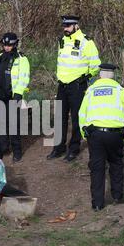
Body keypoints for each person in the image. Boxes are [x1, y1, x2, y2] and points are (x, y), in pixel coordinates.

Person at [78, 63, 124, 211]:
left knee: (97, 168)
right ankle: (117, 197)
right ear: (112, 75)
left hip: (95, 135)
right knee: (116, 164)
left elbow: (82, 113)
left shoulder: (91, 90)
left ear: (100, 75)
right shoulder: (119, 90)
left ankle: (98, 204)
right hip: (114, 135)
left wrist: (84, 134)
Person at [47, 15, 101, 162]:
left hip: (77, 85)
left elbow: (96, 65)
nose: (65, 28)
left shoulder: (86, 42)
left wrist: (87, 76)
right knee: (60, 117)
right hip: (62, 85)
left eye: (68, 26)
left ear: (76, 26)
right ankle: (58, 147)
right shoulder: (62, 41)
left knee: (77, 118)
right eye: (64, 26)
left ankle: (73, 149)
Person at [0, 32, 30, 162]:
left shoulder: (21, 59)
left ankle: (17, 151)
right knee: (1, 122)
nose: (6, 47)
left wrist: (18, 93)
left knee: (13, 124)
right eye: (4, 45)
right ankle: (3, 147)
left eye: (9, 45)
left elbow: (24, 77)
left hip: (13, 96)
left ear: (15, 44)